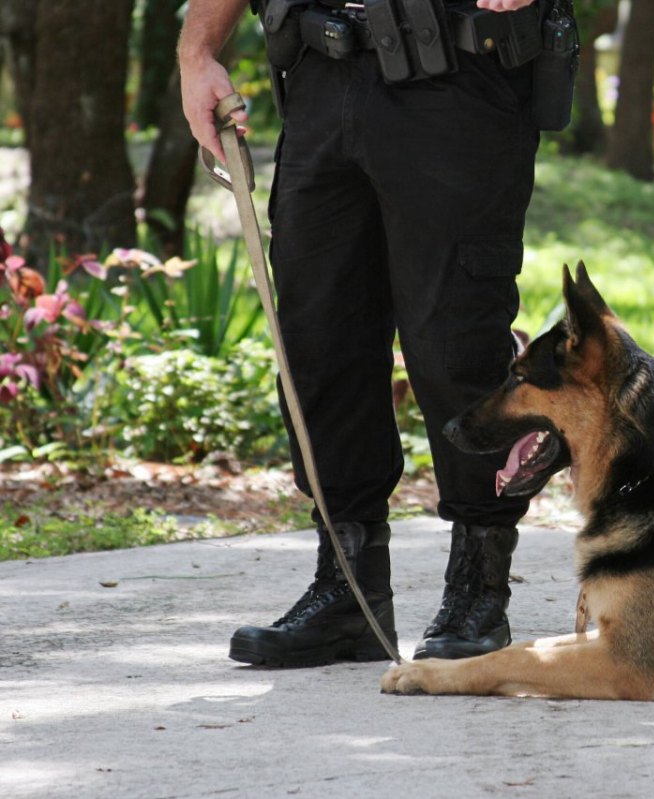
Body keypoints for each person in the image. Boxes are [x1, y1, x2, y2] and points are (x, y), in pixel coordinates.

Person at [179, 0, 541, 667]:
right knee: (321, 338)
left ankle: (478, 589)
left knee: (454, 339)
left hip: (456, 72)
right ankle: (347, 592)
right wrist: (197, 54)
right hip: (321, 74)